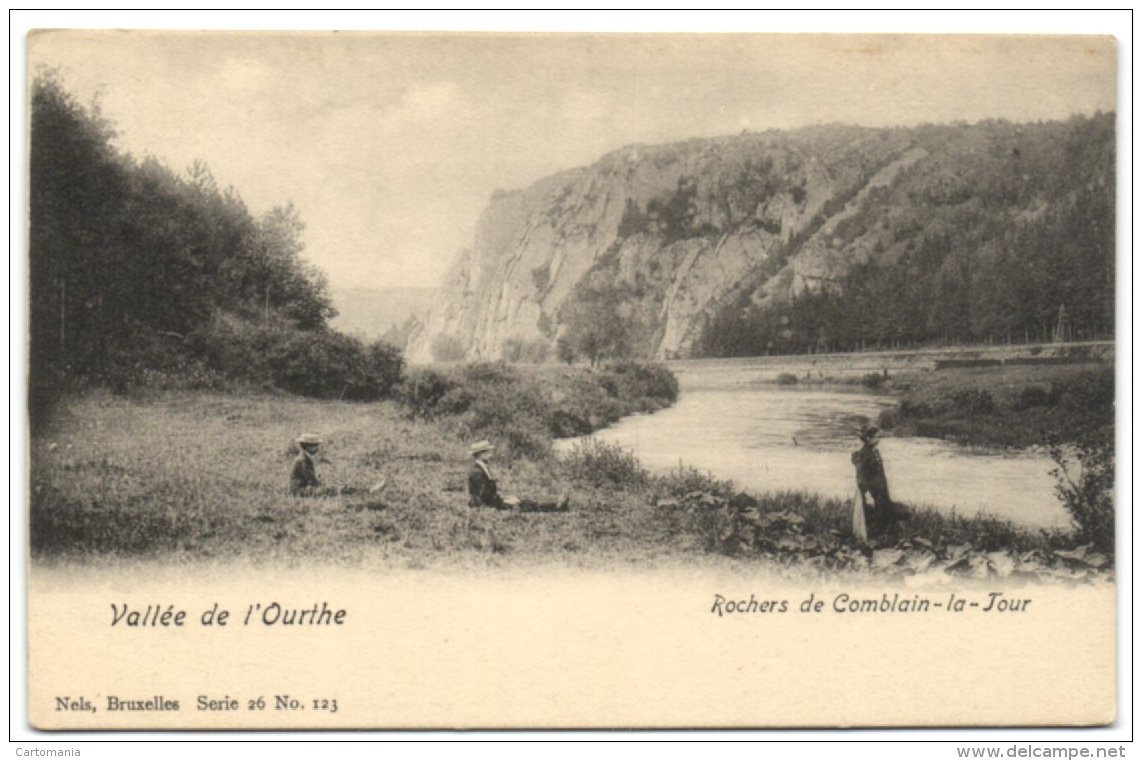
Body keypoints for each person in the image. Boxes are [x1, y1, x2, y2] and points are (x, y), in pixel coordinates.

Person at [467, 440, 569, 512]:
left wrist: (503, 497)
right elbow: (485, 496)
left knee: (524, 502)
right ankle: (556, 507)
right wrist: (503, 500)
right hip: (488, 505)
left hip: (491, 502)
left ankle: (555, 505)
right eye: (488, 452)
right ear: (481, 454)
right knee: (524, 505)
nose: (490, 454)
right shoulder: (477, 472)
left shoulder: (481, 468)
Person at [850, 425, 908, 538]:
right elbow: (861, 475)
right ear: (868, 438)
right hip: (873, 490)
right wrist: (867, 494)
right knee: (878, 513)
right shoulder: (864, 454)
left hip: (881, 489)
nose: (878, 440)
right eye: (876, 437)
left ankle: (885, 536)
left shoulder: (875, 451)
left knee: (885, 510)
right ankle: (875, 537)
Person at [290, 433, 384, 497]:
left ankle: (362, 491)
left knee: (333, 488)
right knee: (334, 490)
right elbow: (312, 481)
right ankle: (367, 492)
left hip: (303, 489)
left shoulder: (304, 457)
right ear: (307, 446)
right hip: (302, 491)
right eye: (315, 445)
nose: (317, 448)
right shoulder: (303, 460)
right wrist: (323, 486)